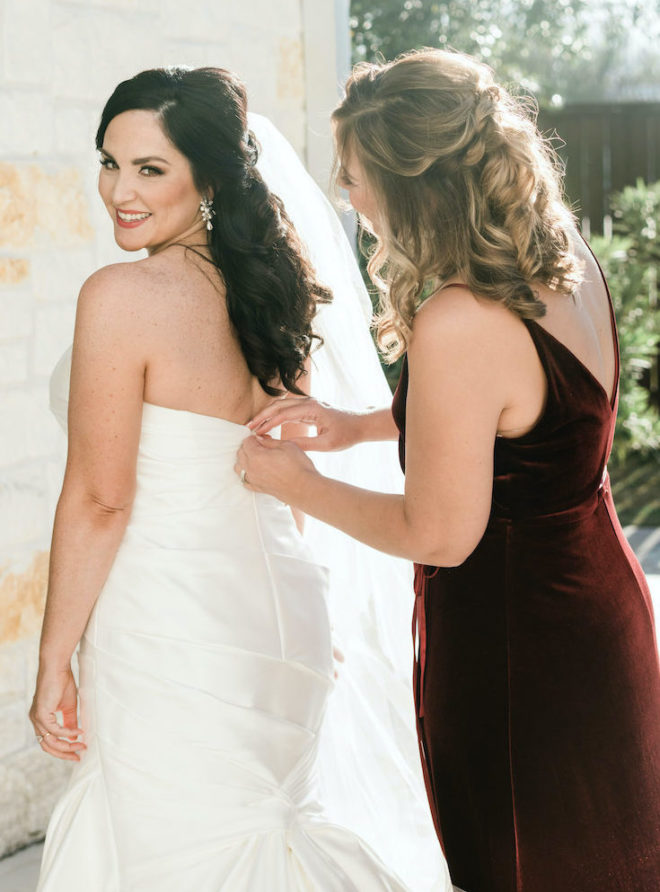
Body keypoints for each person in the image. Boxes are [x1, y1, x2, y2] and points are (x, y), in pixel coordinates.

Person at [237, 49, 660, 892]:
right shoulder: (559, 255)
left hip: (519, 647)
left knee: (523, 863)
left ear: (413, 183)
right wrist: (359, 425)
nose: (345, 197)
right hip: (599, 612)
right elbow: (527, 412)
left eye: (354, 177)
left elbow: (438, 532)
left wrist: (300, 487)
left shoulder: (462, 319)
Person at [29, 65, 452, 891]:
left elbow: (100, 497)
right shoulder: (270, 291)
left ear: (210, 177)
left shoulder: (120, 295)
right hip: (276, 609)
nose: (120, 190)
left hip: (166, 621)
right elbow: (272, 462)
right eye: (110, 162)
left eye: (151, 169)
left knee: (172, 844)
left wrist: (53, 658)